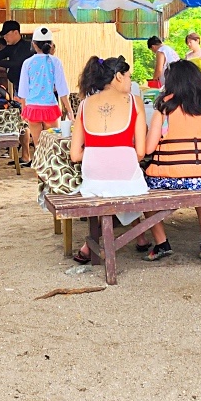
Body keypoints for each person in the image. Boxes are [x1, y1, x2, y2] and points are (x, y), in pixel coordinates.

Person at [70, 56, 159, 264]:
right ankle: (142, 236)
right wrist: (116, 153)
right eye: (129, 77)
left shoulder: (83, 104)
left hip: (93, 178)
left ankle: (139, 237)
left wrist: (98, 152)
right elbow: (140, 152)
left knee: (110, 187)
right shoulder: (134, 102)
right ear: (118, 76)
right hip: (126, 174)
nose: (130, 82)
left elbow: (75, 155)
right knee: (129, 183)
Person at [144, 60, 201, 260]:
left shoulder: (164, 108)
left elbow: (148, 148)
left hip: (170, 177)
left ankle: (162, 243)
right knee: (200, 185)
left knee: (141, 188)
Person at [16, 27, 73, 163]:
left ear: (34, 44)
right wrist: (69, 110)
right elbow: (62, 89)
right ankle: (51, 177)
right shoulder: (55, 62)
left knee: (38, 146)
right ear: (50, 45)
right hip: (50, 109)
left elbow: (23, 90)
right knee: (52, 147)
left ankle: (40, 178)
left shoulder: (27, 63)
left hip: (33, 109)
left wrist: (24, 110)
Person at [0, 20, 33, 92]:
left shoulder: (26, 47)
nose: (5, 37)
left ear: (16, 32)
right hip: (18, 86)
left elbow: (16, 63)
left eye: (7, 34)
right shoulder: (10, 47)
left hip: (28, 87)